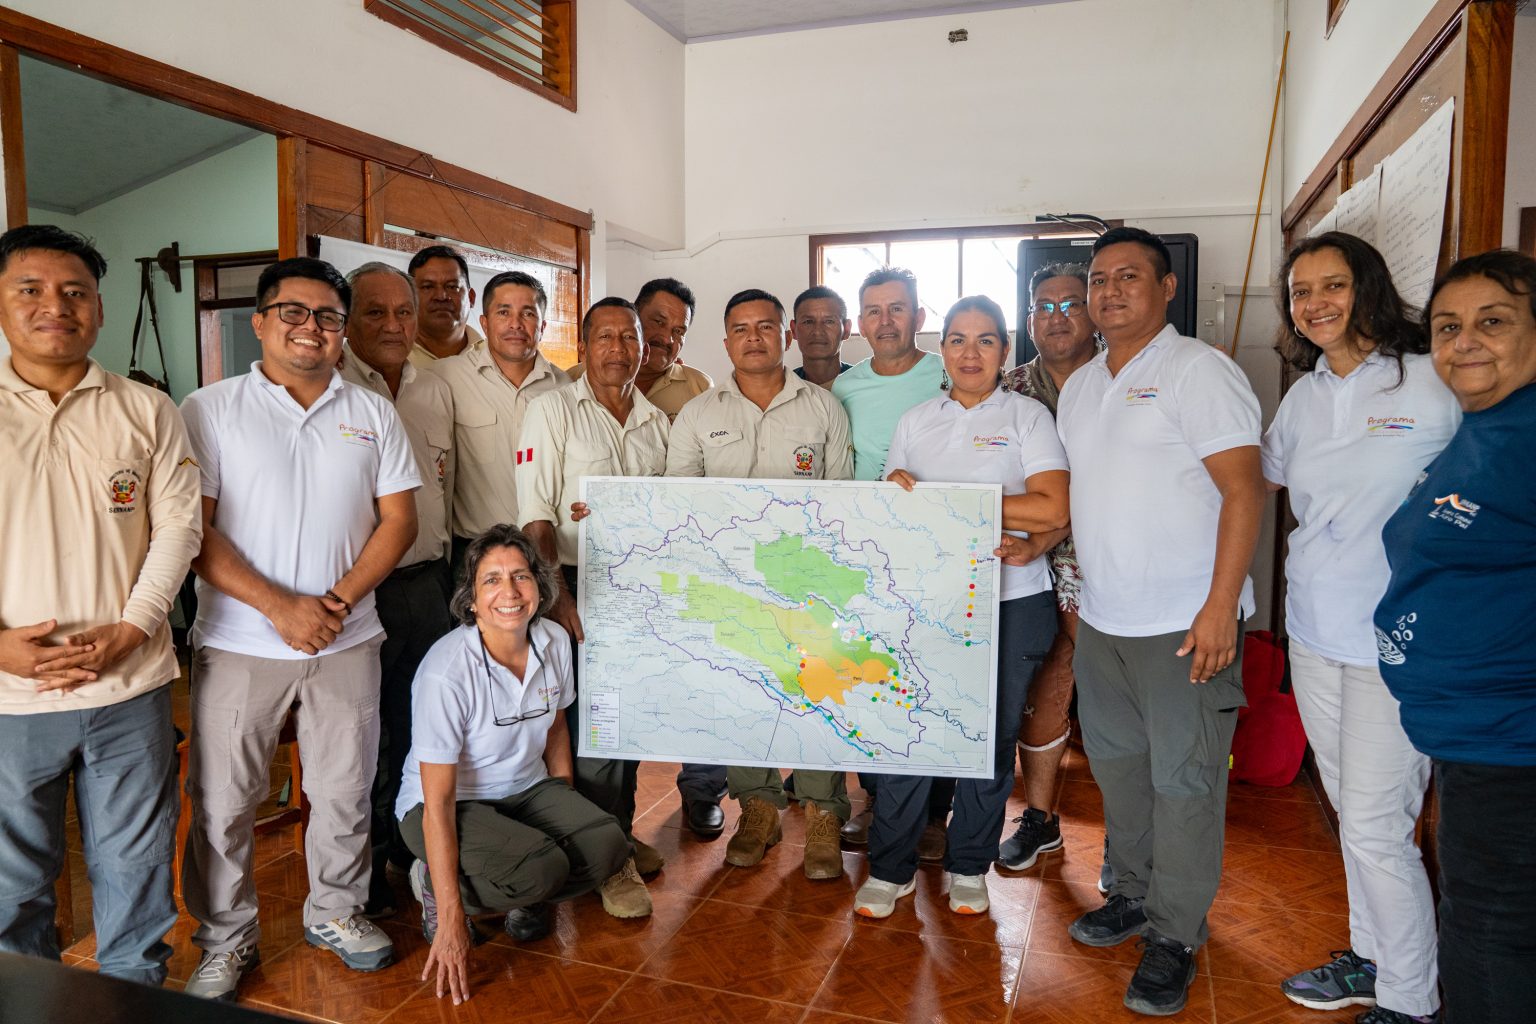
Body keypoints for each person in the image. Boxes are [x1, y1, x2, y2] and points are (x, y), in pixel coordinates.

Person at [179, 257, 421, 1001]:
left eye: (327, 316)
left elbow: (399, 521)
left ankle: (336, 912)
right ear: (259, 321)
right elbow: (194, 530)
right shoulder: (210, 408)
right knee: (224, 801)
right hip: (238, 642)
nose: (311, 327)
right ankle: (226, 938)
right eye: (293, 311)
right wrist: (281, 607)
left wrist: (333, 603)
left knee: (344, 790)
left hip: (348, 640)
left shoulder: (371, 411)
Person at [1056, 227, 1264, 1016]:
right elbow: (1090, 497)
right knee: (1119, 771)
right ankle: (1133, 895)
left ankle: (1175, 933)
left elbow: (1244, 490)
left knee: (1185, 784)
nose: (1108, 292)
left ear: (1167, 288)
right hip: (1105, 622)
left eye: (1128, 277)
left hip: (1185, 624)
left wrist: (1219, 607)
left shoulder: (1197, 371)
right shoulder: (1082, 385)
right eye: (1098, 279)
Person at [1263, 233, 1457, 1024]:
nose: (1316, 304)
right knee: (1354, 812)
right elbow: (1268, 481)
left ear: (1367, 286)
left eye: (1333, 285)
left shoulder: (1431, 379)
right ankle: (1373, 959)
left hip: (1400, 641)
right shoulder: (1304, 397)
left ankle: (1411, 999)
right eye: (1301, 291)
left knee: (1380, 825)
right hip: (1315, 630)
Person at [0, 225, 202, 986]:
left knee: (137, 870)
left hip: (131, 688)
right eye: (31, 290)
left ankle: (130, 999)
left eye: (75, 292)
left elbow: (179, 528)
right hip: (11, 700)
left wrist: (134, 628)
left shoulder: (146, 409)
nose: (56, 306)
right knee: (11, 886)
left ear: (100, 308)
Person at [852, 295, 1067, 919]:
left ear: (1005, 350)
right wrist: (904, 496)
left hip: (1012, 602)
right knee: (908, 733)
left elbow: (1052, 507)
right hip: (924, 603)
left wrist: (944, 503)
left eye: (985, 340)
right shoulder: (916, 421)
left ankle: (969, 865)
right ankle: (890, 870)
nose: (971, 354)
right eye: (957, 340)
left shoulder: (1029, 417)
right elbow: (896, 511)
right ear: (941, 348)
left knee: (990, 739)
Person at [1375, 248, 1536, 1024]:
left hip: (1513, 741)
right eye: (1447, 326)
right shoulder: (1489, 427)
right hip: (1475, 736)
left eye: (1492, 322)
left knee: (1490, 938)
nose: (1465, 341)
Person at [665, 288, 854, 879]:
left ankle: (823, 814)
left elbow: (842, 502)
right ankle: (759, 809)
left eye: (766, 327)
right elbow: (679, 505)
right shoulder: (699, 414)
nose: (754, 338)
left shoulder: (823, 408)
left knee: (817, 693)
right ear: (725, 342)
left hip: (807, 583)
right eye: (741, 329)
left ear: (786, 335)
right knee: (746, 696)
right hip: (732, 586)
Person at [398, 525, 629, 1004]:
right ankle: (435, 886)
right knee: (542, 868)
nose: (509, 591)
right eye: (492, 580)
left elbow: (556, 728)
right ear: (471, 601)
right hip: (444, 805)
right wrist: (454, 920)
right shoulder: (445, 672)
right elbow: (438, 801)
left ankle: (524, 887)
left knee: (606, 844)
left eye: (521, 576)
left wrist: (564, 805)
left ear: (539, 587)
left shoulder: (553, 641)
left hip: (526, 788)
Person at [516, 297, 670, 919]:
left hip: (639, 587)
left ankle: (618, 835)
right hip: (571, 584)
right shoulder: (551, 411)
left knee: (625, 723)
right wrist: (558, 595)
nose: (617, 349)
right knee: (588, 730)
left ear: (643, 347)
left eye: (628, 337)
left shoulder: (656, 422)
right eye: (604, 337)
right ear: (583, 347)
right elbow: (535, 514)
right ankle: (604, 862)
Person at [339, 262, 458, 917]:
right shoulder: (331, 388)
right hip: (362, 590)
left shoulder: (433, 389)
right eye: (375, 312)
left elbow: (445, 486)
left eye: (403, 312)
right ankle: (366, 865)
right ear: (348, 320)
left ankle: (415, 851)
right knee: (367, 736)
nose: (393, 325)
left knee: (422, 726)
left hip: (428, 585)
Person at [996, 262, 1112, 891]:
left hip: (1118, 562)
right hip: (1033, 570)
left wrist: (1045, 533)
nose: (1058, 316)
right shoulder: (1008, 388)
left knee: (1119, 704)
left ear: (1094, 312)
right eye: (1045, 305)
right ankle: (1039, 818)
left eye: (1072, 303)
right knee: (1042, 693)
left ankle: (1130, 841)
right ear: (1029, 319)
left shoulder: (1124, 379)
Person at [831, 266, 948, 852]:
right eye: (874, 311)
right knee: (868, 680)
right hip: (865, 560)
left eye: (897, 308)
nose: (886, 321)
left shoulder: (949, 372)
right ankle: (878, 800)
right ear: (859, 323)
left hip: (937, 554)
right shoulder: (844, 388)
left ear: (918, 317)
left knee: (934, 682)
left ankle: (933, 816)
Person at [428, 270, 570, 574]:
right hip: (475, 553)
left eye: (528, 313)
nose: (515, 324)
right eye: (503, 312)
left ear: (543, 326)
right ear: (484, 322)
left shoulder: (565, 389)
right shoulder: (445, 377)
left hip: (547, 553)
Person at [408, 246, 480, 366]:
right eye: (427, 287)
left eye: (452, 287)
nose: (441, 296)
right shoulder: (388, 357)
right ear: (409, 297)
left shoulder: (495, 357)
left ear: (471, 297)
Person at [791, 285, 853, 388]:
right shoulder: (781, 387)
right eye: (808, 322)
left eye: (829, 321)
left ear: (846, 329)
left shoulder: (865, 385)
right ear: (793, 330)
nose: (818, 331)